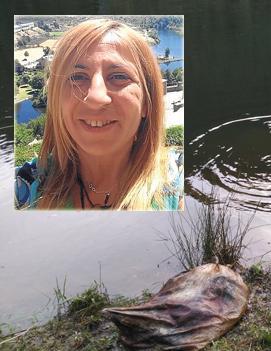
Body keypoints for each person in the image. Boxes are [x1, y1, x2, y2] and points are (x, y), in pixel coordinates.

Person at [14, 19, 183, 210]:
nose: (96, 97)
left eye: (119, 76)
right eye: (77, 77)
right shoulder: (24, 185)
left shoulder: (178, 180)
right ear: (57, 100)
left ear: (146, 102)